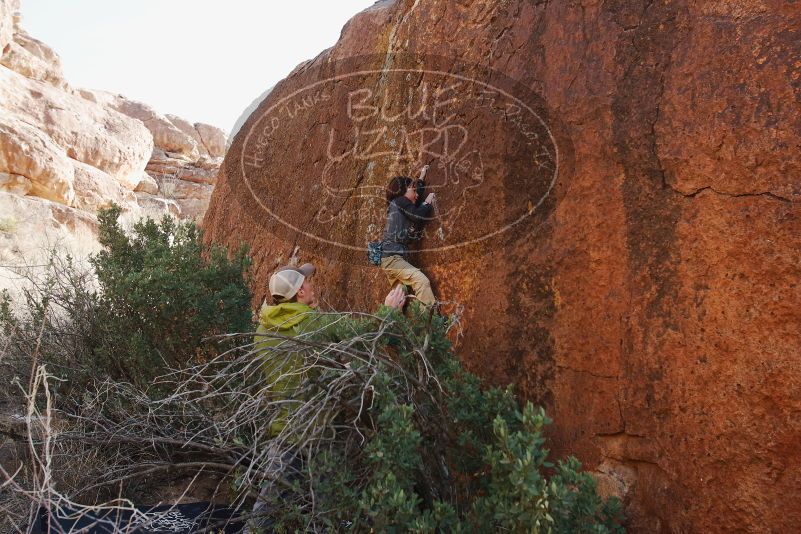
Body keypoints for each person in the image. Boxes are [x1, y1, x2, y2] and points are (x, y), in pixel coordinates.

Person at [380, 165, 437, 305]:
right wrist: (427, 203)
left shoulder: (398, 205)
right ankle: (430, 323)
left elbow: (415, 200)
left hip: (390, 260)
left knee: (400, 297)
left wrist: (422, 178)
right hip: (394, 259)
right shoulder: (400, 202)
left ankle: (391, 319)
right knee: (422, 282)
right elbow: (417, 214)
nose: (416, 194)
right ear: (403, 191)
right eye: (413, 189)